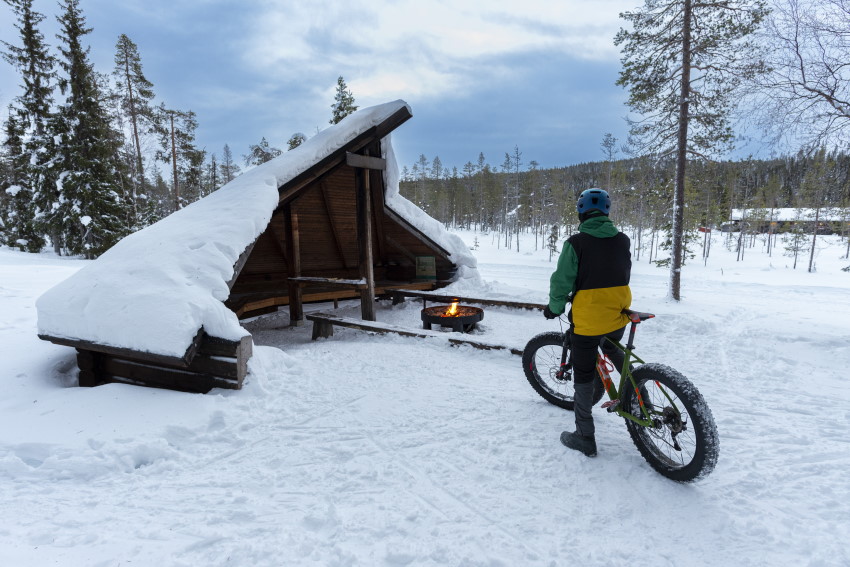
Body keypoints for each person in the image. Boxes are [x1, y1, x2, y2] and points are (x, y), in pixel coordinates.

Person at [543, 188, 632, 457]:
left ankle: (584, 436)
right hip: (619, 313)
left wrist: (554, 307)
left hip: (588, 319)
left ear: (581, 212)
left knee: (583, 375)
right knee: (611, 345)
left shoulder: (576, 243)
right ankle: (640, 395)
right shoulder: (623, 239)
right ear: (607, 212)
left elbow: (561, 282)